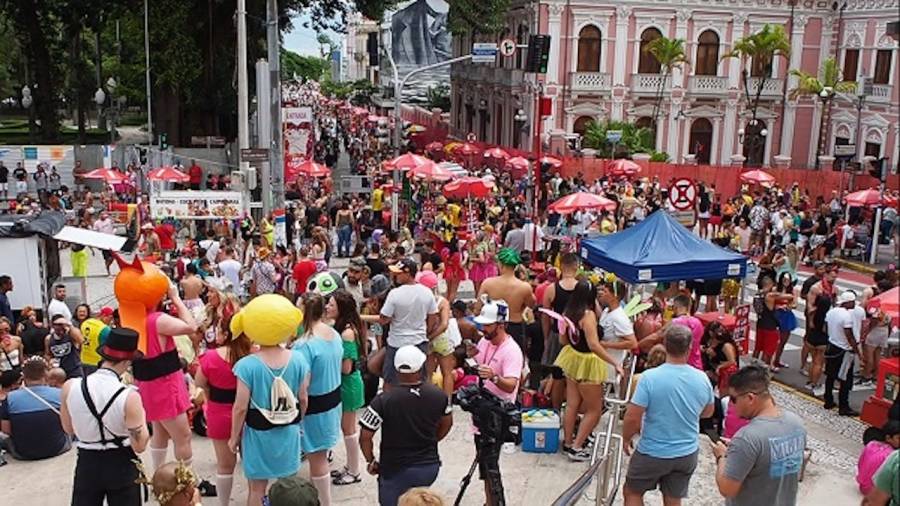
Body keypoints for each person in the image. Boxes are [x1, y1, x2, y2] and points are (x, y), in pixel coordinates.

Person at [622, 325, 715, 506]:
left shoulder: (649, 378)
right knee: (673, 498)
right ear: (689, 347)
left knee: (632, 491)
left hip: (653, 450)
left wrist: (626, 437)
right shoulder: (702, 378)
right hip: (686, 452)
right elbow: (708, 412)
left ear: (665, 344)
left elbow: (633, 417)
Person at [229, 295, 308, 506]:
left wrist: (234, 437)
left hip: (258, 433)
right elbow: (303, 397)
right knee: (289, 485)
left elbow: (240, 407)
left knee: (256, 488)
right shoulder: (298, 359)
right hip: (288, 430)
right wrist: (300, 422)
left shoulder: (247, 366)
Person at [60, 328, 150, 505]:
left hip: (87, 460)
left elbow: (68, 429)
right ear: (127, 362)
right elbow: (139, 445)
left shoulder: (70, 386)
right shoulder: (129, 396)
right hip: (121, 461)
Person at [359, 345, 453, 506]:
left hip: (394, 471)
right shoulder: (439, 395)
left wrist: (371, 460)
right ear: (422, 366)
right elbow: (447, 422)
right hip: (429, 468)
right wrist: (433, 440)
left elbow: (365, 437)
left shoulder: (383, 400)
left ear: (396, 369)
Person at [711, 364, 807, 506]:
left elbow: (727, 488)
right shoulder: (797, 423)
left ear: (750, 398)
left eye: (733, 399)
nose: (732, 404)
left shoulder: (747, 438)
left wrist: (722, 456)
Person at [553, 281, 624, 462]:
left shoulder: (568, 313)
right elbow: (594, 345)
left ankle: (568, 442)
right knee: (594, 409)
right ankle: (577, 447)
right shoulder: (588, 315)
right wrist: (614, 362)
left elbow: (563, 341)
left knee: (571, 404)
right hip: (589, 364)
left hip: (573, 359)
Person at [137, 283, 199, 476]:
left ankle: (158, 477)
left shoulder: (134, 318)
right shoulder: (157, 319)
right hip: (165, 384)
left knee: (160, 432)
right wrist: (176, 298)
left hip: (149, 383)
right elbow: (191, 327)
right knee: (183, 436)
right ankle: (185, 480)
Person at [195, 311, 252, 506]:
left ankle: (224, 503)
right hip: (249, 413)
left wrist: (210, 392)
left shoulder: (210, 357)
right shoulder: (251, 354)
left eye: (219, 329)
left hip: (219, 413)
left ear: (226, 334)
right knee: (252, 464)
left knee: (224, 466)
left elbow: (199, 382)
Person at [295, 293, 344, 505]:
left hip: (315, 407)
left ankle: (324, 501)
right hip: (333, 401)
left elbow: (302, 387)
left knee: (317, 458)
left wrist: (299, 414)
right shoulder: (334, 334)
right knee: (320, 454)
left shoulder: (304, 344)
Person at [327, 290, 368, 486]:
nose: (327, 307)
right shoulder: (342, 327)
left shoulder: (347, 333)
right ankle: (350, 467)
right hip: (346, 384)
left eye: (332, 305)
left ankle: (354, 470)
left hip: (349, 384)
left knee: (349, 429)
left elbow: (346, 367)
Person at [379, 258, 439, 387]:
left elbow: (384, 319)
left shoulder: (394, 294)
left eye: (398, 273)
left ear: (407, 273)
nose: (395, 276)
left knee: (390, 380)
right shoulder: (427, 293)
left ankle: (389, 405)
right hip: (418, 341)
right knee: (418, 379)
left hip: (397, 342)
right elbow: (432, 317)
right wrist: (425, 332)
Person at [0, 356, 71, 460]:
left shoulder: (10, 398)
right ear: (46, 374)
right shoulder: (60, 394)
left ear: (23, 376)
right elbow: (68, 424)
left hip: (22, 453)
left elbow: (6, 430)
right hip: (58, 447)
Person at [476, 248, 535, 352]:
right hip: (515, 326)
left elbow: (477, 309)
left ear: (500, 264)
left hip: (493, 325)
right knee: (515, 359)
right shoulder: (524, 287)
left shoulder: (488, 283)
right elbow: (532, 304)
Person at [823, 290, 863, 416]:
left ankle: (828, 400)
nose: (854, 305)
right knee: (845, 379)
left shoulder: (831, 312)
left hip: (832, 345)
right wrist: (857, 352)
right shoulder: (846, 316)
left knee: (830, 375)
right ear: (849, 302)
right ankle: (843, 406)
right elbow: (849, 336)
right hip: (843, 350)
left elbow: (825, 328)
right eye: (853, 302)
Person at [858, 420, 900, 496]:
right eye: (899, 438)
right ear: (888, 438)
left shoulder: (871, 444)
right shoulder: (892, 455)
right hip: (875, 492)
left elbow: (860, 464)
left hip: (862, 485)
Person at [45, 314, 85, 379]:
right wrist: (50, 361)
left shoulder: (71, 334)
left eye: (61, 324)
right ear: (52, 325)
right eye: (57, 325)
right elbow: (47, 354)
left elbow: (81, 340)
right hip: (59, 372)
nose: (60, 327)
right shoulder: (49, 339)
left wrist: (69, 324)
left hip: (74, 370)